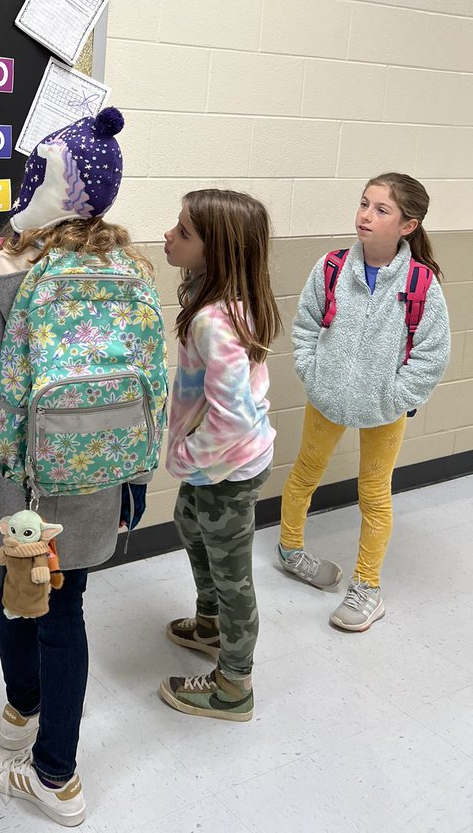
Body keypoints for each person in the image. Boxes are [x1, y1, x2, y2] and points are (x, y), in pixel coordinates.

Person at [0, 107, 166, 829]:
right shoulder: (129, 267)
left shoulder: (7, 270)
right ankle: (37, 739)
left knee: (17, 595)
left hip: (24, 476)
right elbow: (150, 381)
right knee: (67, 607)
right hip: (103, 474)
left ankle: (48, 765)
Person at [279, 172, 450, 632]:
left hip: (384, 409)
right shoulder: (332, 266)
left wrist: (397, 396)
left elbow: (432, 355)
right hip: (327, 396)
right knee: (304, 474)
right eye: (363, 204)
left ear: (407, 225)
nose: (365, 216)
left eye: (381, 209)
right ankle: (290, 550)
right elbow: (306, 325)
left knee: (374, 495)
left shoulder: (420, 283)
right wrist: (314, 376)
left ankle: (367, 588)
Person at [157, 189, 280, 723]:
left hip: (224, 463)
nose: (168, 235)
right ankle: (209, 625)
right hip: (218, 460)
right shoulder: (222, 296)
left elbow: (231, 418)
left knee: (233, 578)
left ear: (219, 250)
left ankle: (234, 684)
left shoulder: (214, 320)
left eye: (184, 232)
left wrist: (187, 456)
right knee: (188, 522)